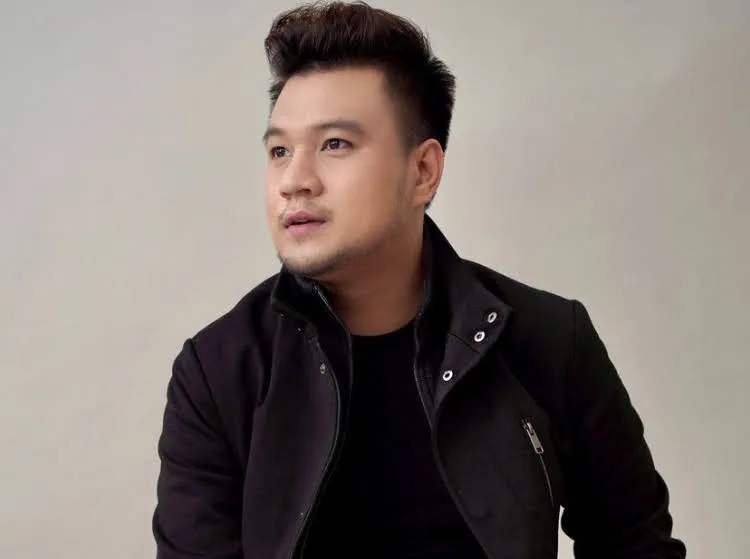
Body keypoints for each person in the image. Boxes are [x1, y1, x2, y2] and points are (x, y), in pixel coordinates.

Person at [152, 2, 687, 558]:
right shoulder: (217, 372)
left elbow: (637, 546)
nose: (294, 180)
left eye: (335, 144)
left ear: (423, 171)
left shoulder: (549, 342)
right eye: (279, 150)